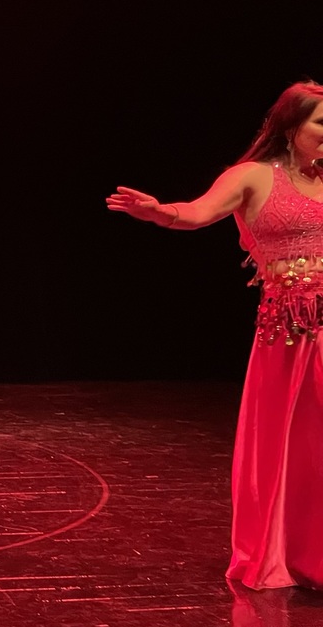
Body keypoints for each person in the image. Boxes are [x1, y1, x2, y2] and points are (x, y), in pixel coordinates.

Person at [107, 80, 323, 590]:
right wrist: (162, 212)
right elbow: (197, 212)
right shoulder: (253, 176)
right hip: (292, 333)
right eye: (322, 122)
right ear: (291, 127)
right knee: (297, 445)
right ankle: (295, 553)